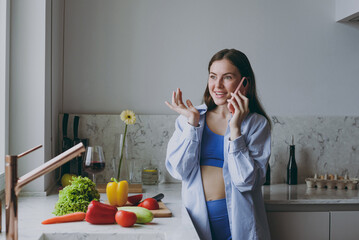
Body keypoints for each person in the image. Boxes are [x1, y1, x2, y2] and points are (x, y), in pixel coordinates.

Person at [165, 49, 271, 240]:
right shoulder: (190, 118)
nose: (218, 85)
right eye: (213, 76)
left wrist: (236, 128)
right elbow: (179, 171)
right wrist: (192, 125)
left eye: (227, 77)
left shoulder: (256, 124)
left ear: (244, 83)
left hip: (239, 226)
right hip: (197, 224)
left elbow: (246, 182)